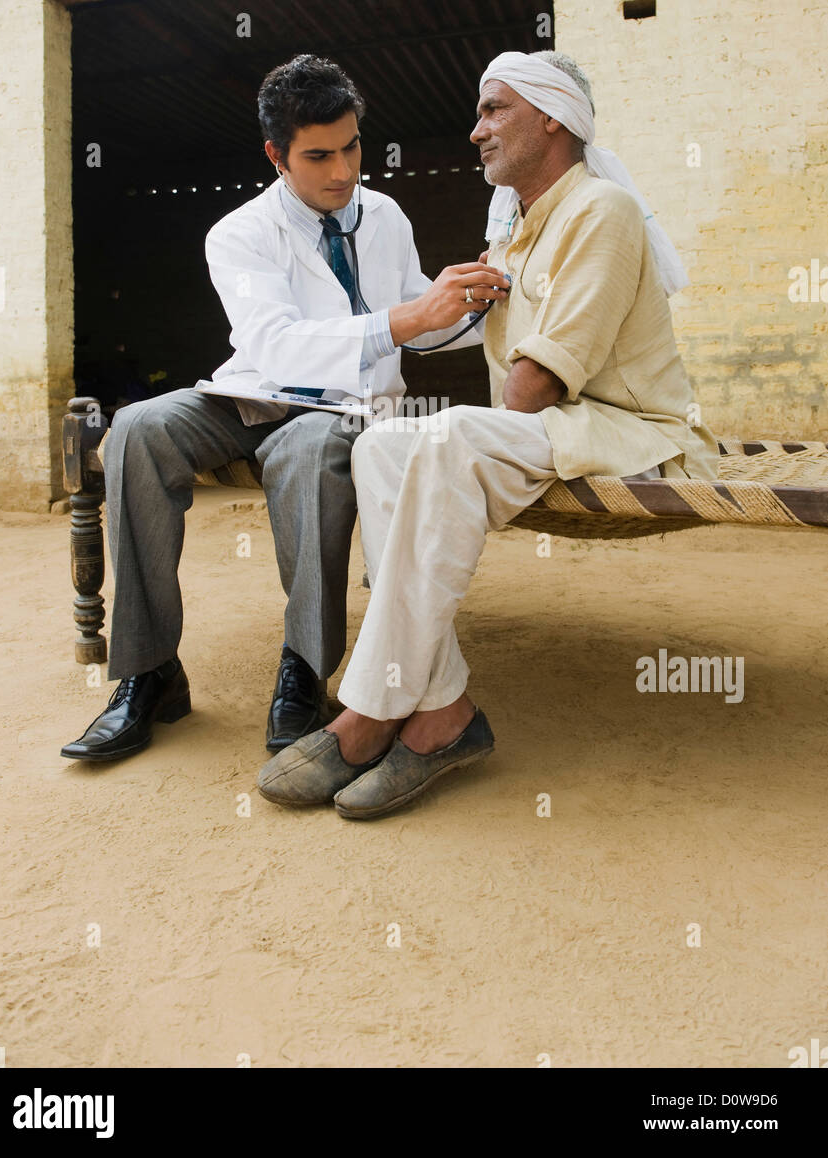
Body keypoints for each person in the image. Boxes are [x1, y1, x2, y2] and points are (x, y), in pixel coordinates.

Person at [257, 50, 721, 817]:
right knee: (381, 443)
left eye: (492, 109)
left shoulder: (597, 210)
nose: (475, 131)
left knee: (441, 441)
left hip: (635, 430)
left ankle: (371, 709)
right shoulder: (516, 227)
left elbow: (529, 387)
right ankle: (441, 711)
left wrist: (471, 431)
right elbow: (499, 379)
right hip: (558, 427)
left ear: (552, 117)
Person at [60, 53, 509, 764]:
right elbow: (276, 346)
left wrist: (483, 300)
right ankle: (147, 674)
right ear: (276, 154)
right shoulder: (238, 233)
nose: (342, 170)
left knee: (307, 452)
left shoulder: (384, 216)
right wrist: (404, 320)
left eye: (352, 146)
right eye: (319, 155)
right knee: (137, 429)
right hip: (252, 393)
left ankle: (304, 669)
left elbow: (424, 319)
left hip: (345, 409)